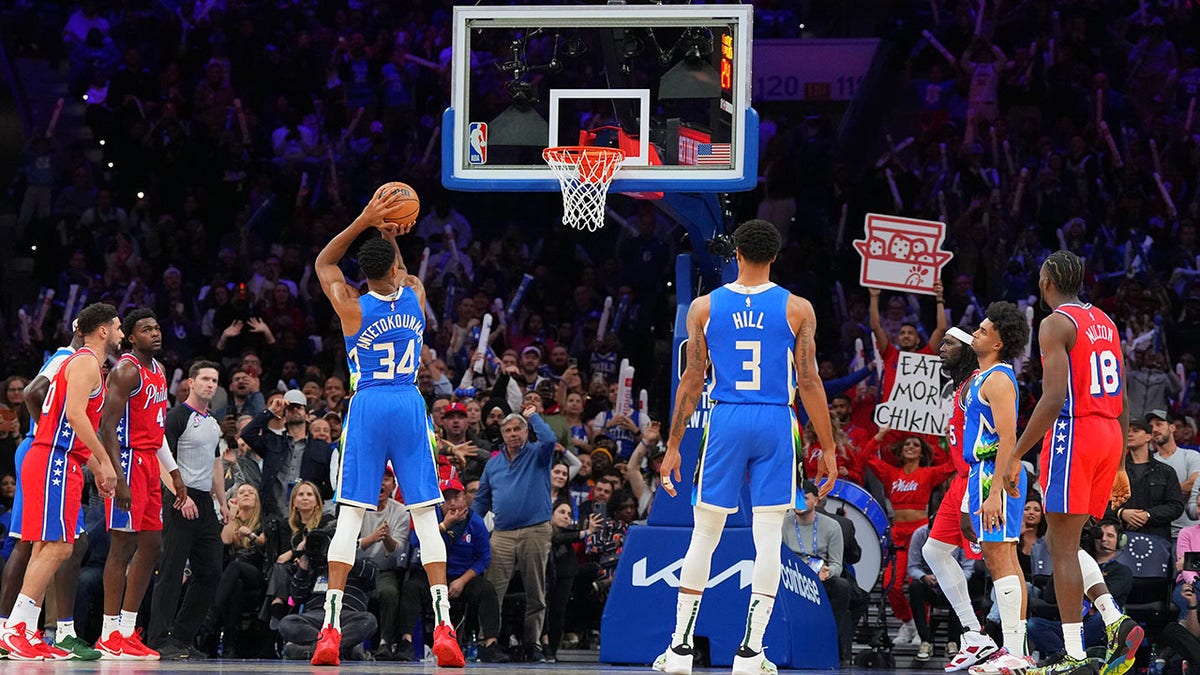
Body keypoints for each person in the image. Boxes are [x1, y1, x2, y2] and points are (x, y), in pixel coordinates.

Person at [654, 220, 839, 675]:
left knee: (705, 534)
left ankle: (678, 650)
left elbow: (692, 380)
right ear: (775, 256)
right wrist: (829, 448)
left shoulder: (703, 307)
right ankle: (751, 652)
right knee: (767, 538)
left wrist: (674, 444)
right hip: (777, 418)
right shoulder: (798, 308)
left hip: (726, 417)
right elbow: (810, 380)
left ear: (735, 253)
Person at [313, 190, 464, 667]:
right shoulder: (416, 292)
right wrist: (389, 230)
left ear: (364, 276)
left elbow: (323, 261)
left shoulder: (351, 306)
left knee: (351, 517)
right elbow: (399, 272)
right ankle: (444, 631)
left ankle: (330, 633)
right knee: (424, 517)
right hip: (409, 401)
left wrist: (364, 220)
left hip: (369, 404)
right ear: (397, 270)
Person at [1014, 251, 1142, 675]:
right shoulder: (1104, 320)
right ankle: (1113, 619)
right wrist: (1121, 461)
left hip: (1077, 430)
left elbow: (1052, 399)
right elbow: (1122, 397)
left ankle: (1074, 655)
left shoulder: (1054, 323)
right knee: (1060, 541)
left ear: (1047, 280)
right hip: (1108, 433)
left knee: (1062, 548)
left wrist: (1016, 453)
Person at [0, 303, 121, 661]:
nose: (120, 334)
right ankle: (14, 628)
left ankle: (24, 628)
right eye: (116, 327)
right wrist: (102, 461)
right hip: (55, 456)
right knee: (57, 546)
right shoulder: (84, 361)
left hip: (60, 458)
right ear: (101, 330)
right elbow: (74, 415)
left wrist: (94, 463)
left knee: (48, 546)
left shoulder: (80, 361)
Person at [96, 308, 188, 660]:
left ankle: (127, 629)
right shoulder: (125, 370)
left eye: (157, 327)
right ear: (131, 338)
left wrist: (174, 473)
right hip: (129, 461)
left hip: (151, 460)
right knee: (121, 546)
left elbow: (158, 428)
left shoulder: (160, 372)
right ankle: (108, 633)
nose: (155, 332)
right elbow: (107, 427)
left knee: (151, 546)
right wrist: (118, 477)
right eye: (146, 329)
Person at [960, 301, 1033, 674]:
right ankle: (1016, 650)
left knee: (998, 558)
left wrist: (992, 493)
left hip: (993, 472)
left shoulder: (999, 379)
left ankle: (1014, 651)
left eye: (984, 330)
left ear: (1000, 343)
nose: (976, 332)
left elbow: (1009, 438)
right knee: (1004, 558)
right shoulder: (981, 375)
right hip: (981, 472)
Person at [926, 326, 1000, 671]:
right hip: (960, 480)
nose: (941, 348)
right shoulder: (958, 387)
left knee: (999, 559)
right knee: (933, 550)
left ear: (968, 350)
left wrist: (980, 495)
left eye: (949, 343)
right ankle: (974, 632)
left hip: (977, 479)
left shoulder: (978, 383)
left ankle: (1016, 641)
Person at [148, 360, 231, 659]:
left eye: (214, 380)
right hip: (179, 497)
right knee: (170, 571)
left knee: (210, 573)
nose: (210, 384)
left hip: (205, 502)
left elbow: (217, 461)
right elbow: (160, 458)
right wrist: (180, 496)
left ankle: (181, 638)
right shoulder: (176, 417)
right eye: (205, 379)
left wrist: (222, 501)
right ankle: (158, 639)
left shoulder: (212, 422)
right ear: (191, 383)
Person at [473, 407, 557, 662]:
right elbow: (481, 501)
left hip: (536, 529)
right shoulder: (493, 464)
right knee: (492, 590)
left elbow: (550, 439)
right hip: (502, 534)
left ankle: (533, 644)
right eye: (507, 430)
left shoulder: (538, 454)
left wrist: (533, 416)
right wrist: (472, 530)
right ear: (502, 434)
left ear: (526, 431)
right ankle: (487, 642)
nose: (512, 434)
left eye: (517, 429)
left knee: (536, 591)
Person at [397, 477, 508, 663]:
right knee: (411, 588)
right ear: (440, 501)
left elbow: (483, 558)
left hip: (461, 577)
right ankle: (406, 643)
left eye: (456, 497)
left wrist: (463, 581)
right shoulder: (429, 518)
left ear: (465, 498)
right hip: (431, 575)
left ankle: (490, 644)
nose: (453, 502)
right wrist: (444, 525)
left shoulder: (475, 522)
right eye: (447, 498)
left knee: (487, 590)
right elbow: (416, 542)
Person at [1027, 521, 1132, 658]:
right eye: (1100, 535)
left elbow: (1109, 592)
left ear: (1120, 542)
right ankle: (1064, 655)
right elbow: (1050, 597)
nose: (1103, 539)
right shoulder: (1074, 562)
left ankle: (1071, 656)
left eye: (1110, 536)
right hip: (1066, 620)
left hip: (1094, 623)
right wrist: (1063, 563)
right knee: (1033, 624)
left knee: (1101, 616)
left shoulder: (1122, 571)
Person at [783, 481, 854, 664]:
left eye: (804, 498)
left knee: (842, 585)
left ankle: (829, 635)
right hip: (790, 576)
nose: (799, 503)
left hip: (820, 577)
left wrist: (828, 572)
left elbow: (837, 564)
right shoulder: (783, 523)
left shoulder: (831, 526)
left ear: (816, 500)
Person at [907, 516, 976, 662]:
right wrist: (924, 576)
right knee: (915, 587)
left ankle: (953, 642)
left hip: (952, 582)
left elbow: (968, 569)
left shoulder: (962, 535)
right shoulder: (920, 534)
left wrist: (950, 578)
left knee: (960, 587)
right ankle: (925, 641)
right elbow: (912, 567)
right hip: (929, 583)